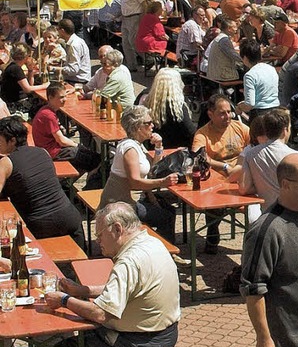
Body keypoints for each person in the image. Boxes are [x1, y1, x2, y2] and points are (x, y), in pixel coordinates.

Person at [45, 202, 180, 347]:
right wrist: (83, 291)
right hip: (167, 336)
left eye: (100, 234)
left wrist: (64, 300)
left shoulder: (128, 262)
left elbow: (101, 314)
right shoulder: (152, 243)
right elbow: (132, 289)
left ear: (117, 229)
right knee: (94, 338)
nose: (97, 241)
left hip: (139, 344)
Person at [241, 153, 298, 347]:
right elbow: (254, 290)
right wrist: (264, 339)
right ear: (286, 184)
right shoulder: (266, 230)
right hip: (287, 343)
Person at [0, 115, 85, 246]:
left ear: (11, 141)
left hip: (39, 225)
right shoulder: (42, 152)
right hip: (70, 217)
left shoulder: (6, 162)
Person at [100, 105, 179, 241]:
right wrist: (162, 182)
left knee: (168, 210)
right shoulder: (129, 148)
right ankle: (165, 253)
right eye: (148, 123)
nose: (153, 125)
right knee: (166, 216)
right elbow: (135, 181)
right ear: (137, 127)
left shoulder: (137, 144)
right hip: (119, 205)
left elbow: (154, 169)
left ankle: (162, 249)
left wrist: (158, 147)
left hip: (129, 201)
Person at [192, 95, 250, 253]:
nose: (228, 116)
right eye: (222, 113)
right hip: (216, 181)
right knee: (214, 205)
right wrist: (224, 166)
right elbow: (199, 157)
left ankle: (252, 245)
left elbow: (255, 146)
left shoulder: (240, 127)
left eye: (229, 112)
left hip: (241, 177)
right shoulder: (202, 134)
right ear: (210, 114)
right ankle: (212, 234)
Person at [31, 83, 101, 174]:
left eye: (65, 96)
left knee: (88, 156)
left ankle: (71, 182)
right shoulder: (48, 115)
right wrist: (77, 145)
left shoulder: (46, 110)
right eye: (61, 97)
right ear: (50, 97)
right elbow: (61, 140)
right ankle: (89, 184)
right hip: (52, 152)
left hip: (49, 148)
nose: (64, 100)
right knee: (95, 159)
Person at [239, 108, 296, 213]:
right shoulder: (296, 157)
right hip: (293, 214)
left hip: (267, 213)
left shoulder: (251, 154)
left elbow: (243, 188)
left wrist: (262, 186)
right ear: (285, 130)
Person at [139, 67, 196, 149]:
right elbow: (190, 131)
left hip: (152, 148)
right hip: (176, 151)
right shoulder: (177, 105)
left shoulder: (145, 99)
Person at [238, 38, 280, 121]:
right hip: (276, 111)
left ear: (245, 58)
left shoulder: (250, 75)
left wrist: (239, 106)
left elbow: (250, 104)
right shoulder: (271, 68)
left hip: (260, 115)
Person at [0, 43, 48, 110]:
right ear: (26, 57)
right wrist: (44, 86)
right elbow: (27, 89)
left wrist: (30, 70)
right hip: (15, 104)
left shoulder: (14, 66)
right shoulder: (16, 69)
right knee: (45, 105)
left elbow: (30, 84)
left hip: (17, 101)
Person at [134, 1, 169, 72]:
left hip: (140, 41)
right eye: (161, 8)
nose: (162, 10)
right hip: (149, 43)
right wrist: (169, 39)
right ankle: (164, 64)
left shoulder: (146, 16)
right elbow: (161, 35)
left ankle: (155, 62)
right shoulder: (154, 19)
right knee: (170, 46)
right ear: (157, 10)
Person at [205, 17, 244, 81]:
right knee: (246, 74)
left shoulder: (220, 37)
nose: (236, 29)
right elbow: (234, 56)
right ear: (229, 28)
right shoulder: (224, 40)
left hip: (215, 72)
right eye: (234, 27)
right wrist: (246, 59)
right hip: (221, 74)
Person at [120, 0, 145, 70]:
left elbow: (144, 4)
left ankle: (147, 59)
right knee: (125, 43)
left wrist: (142, 19)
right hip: (125, 18)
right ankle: (131, 65)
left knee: (133, 41)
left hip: (134, 17)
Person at [57, 18, 91, 85]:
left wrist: (55, 69)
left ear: (62, 30)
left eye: (58, 29)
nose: (57, 31)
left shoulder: (74, 45)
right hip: (76, 79)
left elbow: (73, 70)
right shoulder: (76, 40)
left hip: (77, 82)